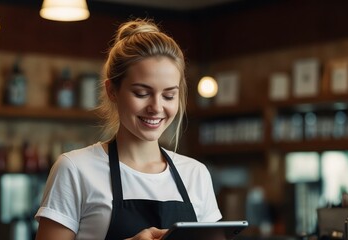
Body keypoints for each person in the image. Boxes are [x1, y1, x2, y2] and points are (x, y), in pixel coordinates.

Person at [35, 18, 222, 240]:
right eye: (142, 93)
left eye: (169, 95)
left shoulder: (195, 174)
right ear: (112, 90)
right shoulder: (75, 169)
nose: (156, 107)